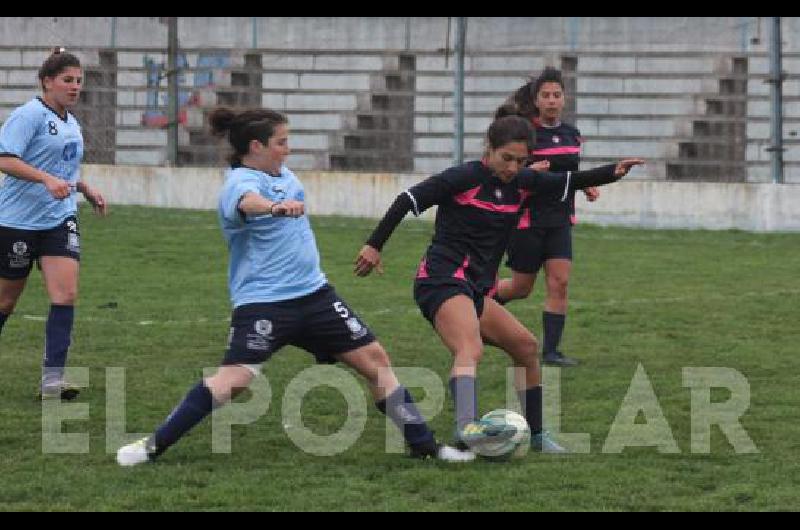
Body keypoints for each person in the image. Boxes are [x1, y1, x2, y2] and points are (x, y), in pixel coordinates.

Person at [116, 108, 477, 466]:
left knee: (376, 362)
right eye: (281, 142)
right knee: (235, 380)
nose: (288, 148)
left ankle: (426, 448)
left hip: (316, 296)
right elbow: (247, 204)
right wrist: (274, 208)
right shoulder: (239, 183)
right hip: (265, 304)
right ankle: (153, 445)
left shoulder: (282, 174)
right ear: (256, 147)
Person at [355, 115, 643, 452]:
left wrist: (612, 172)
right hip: (441, 279)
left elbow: (570, 179)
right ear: (489, 150)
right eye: (506, 158)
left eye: (521, 161)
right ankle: (467, 429)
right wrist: (374, 245)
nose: (512, 166)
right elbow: (407, 198)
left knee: (526, 347)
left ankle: (536, 435)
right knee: (470, 348)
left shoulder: (522, 182)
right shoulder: (463, 177)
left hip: (475, 288)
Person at [0, 47, 107, 400]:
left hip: (58, 220)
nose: (75, 87)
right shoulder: (28, 115)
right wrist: (45, 179)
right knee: (5, 302)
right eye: (67, 80)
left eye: (78, 81)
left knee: (66, 294)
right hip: (16, 222)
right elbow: (5, 159)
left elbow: (64, 169)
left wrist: (83, 186)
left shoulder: (70, 122)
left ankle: (52, 380)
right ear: (48, 82)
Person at [493, 67, 600, 367]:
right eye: (546, 95)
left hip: (560, 219)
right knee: (520, 288)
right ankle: (480, 300)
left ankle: (551, 352)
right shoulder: (525, 134)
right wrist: (528, 172)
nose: (552, 100)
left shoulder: (572, 134)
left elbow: (570, 171)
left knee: (559, 283)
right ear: (536, 100)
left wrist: (585, 184)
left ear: (564, 99)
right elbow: (508, 172)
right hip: (527, 220)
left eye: (557, 95)